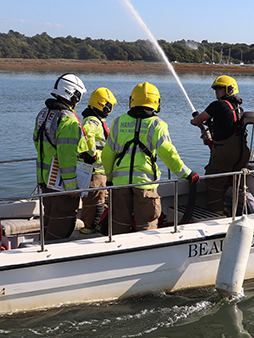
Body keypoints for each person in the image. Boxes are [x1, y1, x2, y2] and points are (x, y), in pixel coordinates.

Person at [102, 82, 199, 235]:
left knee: (119, 224)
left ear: (132, 100)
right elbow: (167, 153)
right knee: (147, 225)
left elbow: (107, 154)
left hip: (120, 185)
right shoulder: (157, 125)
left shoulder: (118, 122)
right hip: (145, 185)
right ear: (156, 102)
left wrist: (109, 177)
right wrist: (186, 173)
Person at [34, 73, 88, 241]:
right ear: (73, 94)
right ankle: (50, 259)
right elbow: (66, 156)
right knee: (61, 226)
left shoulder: (43, 114)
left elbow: (37, 142)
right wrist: (71, 187)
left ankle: (43, 247)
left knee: (49, 219)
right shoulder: (69, 120)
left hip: (44, 180)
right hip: (61, 186)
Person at [190, 75, 251, 213]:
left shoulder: (218, 105)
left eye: (219, 88)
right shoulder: (239, 109)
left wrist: (194, 121)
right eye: (216, 89)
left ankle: (215, 216)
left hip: (225, 153)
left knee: (214, 183)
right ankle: (238, 212)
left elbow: (198, 120)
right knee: (235, 183)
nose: (216, 91)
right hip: (241, 153)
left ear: (229, 89)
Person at [78, 87, 117, 234]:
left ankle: (95, 225)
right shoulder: (93, 121)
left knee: (99, 200)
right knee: (94, 201)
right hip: (95, 171)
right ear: (104, 105)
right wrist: (92, 154)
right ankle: (89, 228)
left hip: (100, 170)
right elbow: (88, 134)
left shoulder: (95, 119)